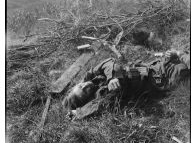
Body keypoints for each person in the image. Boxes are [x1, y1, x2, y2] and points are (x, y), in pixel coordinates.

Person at [62, 49, 190, 119]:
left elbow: (109, 62)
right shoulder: (103, 93)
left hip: (155, 65)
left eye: (80, 86)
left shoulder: (90, 79)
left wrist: (112, 77)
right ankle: (182, 54)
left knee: (179, 55)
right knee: (186, 61)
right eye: (85, 91)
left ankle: (181, 54)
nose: (85, 86)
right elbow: (97, 105)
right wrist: (78, 113)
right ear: (88, 98)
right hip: (165, 77)